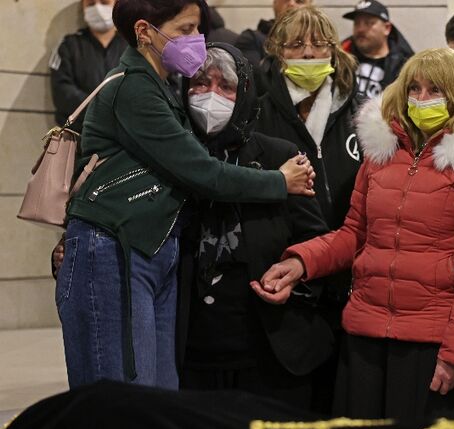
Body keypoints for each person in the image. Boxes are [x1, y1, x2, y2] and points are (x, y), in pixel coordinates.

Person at [55, 0, 316, 391]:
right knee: (122, 398)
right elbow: (202, 173)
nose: (196, 40)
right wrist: (280, 182)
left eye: (198, 30)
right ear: (144, 31)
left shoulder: (161, 87)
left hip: (147, 253)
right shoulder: (133, 86)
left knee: (158, 399)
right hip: (115, 249)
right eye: (185, 29)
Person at [252, 48, 454, 420]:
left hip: (429, 343)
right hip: (364, 335)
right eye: (414, 89)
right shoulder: (381, 155)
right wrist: (301, 261)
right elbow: (353, 235)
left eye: (435, 90)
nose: (421, 100)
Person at [176, 43, 334, 410]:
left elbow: (319, 240)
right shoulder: (173, 157)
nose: (211, 96)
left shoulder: (280, 156)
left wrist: (297, 268)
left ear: (244, 93)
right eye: (200, 83)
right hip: (191, 351)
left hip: (269, 351)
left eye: (225, 86)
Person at [258, 6, 362, 233]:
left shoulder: (362, 113)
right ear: (280, 53)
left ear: (333, 51)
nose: (308, 53)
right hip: (285, 251)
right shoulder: (259, 115)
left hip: (349, 247)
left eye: (318, 44)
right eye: (296, 45)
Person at [50, 0, 126, 132]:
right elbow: (62, 92)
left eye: (104, 2)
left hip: (126, 139)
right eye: (90, 4)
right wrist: (100, 109)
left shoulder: (134, 46)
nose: (97, 7)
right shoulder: (69, 45)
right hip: (80, 139)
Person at [340, 0, 414, 99]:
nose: (361, 29)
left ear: (387, 28)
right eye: (357, 23)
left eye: (369, 23)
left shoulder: (405, 66)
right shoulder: (341, 56)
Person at [235, 0, 310, 71]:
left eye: (300, 0)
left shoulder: (318, 42)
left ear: (310, 6)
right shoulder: (251, 39)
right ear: (275, 2)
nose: (291, 3)